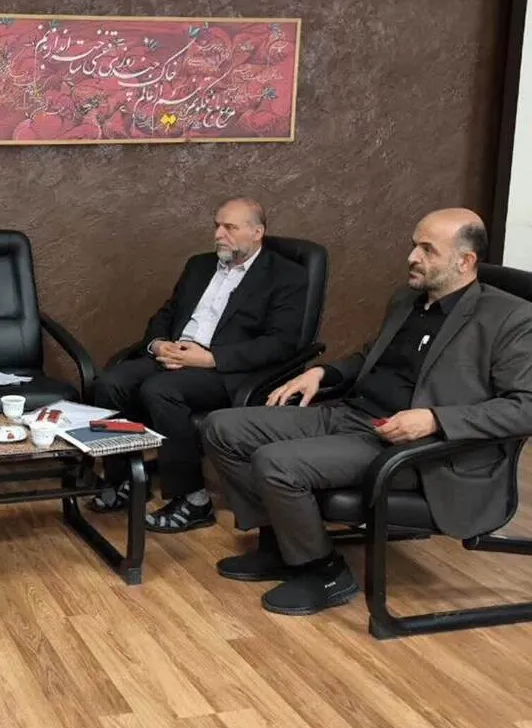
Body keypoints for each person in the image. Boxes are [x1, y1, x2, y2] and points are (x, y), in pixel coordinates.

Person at [204, 208, 532, 616]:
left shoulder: (510, 317)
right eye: (414, 245)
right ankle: (283, 545)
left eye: (427, 250)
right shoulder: (407, 299)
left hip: (414, 444)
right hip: (352, 413)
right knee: (222, 427)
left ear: (464, 261)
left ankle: (324, 572)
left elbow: (525, 407)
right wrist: (323, 373)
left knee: (276, 463)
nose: (412, 256)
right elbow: (370, 357)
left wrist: (435, 419)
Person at [90, 198, 307, 532]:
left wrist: (210, 358)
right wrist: (158, 343)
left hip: (225, 369)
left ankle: (193, 500)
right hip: (175, 353)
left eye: (229, 228)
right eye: (216, 226)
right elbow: (166, 314)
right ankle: (124, 480)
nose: (218, 234)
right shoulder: (200, 265)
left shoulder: (286, 276)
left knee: (160, 390)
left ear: (257, 232)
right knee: (109, 383)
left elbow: (280, 343)